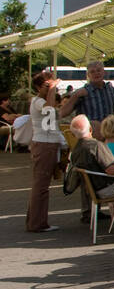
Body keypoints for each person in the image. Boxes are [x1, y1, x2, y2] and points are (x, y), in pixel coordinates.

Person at [66, 115, 114, 234]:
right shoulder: (96, 146)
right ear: (90, 130)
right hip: (107, 188)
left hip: (94, 189)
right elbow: (112, 169)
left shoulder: (76, 150)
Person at [26, 71, 66, 232]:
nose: (51, 88)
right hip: (44, 145)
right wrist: (52, 90)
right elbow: (49, 110)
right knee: (41, 186)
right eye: (46, 85)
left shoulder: (41, 100)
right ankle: (37, 223)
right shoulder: (38, 102)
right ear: (37, 87)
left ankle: (36, 221)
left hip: (47, 144)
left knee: (41, 186)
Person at [58, 60, 114, 139]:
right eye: (92, 72)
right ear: (88, 75)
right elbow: (63, 113)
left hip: (109, 135)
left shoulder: (111, 90)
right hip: (90, 137)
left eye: (98, 70)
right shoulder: (82, 92)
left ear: (104, 72)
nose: (96, 74)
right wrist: (75, 96)